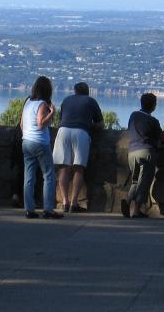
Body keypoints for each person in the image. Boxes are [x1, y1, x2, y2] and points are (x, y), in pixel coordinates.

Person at [53, 82, 103, 213]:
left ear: (75, 91)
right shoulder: (91, 101)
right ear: (87, 91)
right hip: (81, 132)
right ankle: (74, 202)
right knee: (79, 168)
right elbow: (100, 124)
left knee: (64, 168)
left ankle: (64, 201)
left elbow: (61, 119)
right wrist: (89, 124)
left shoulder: (66, 100)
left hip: (63, 131)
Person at [21, 76, 62, 219]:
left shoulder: (27, 102)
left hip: (26, 141)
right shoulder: (43, 104)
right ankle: (48, 209)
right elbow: (40, 123)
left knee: (29, 176)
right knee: (49, 175)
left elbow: (21, 124)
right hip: (40, 142)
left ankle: (29, 209)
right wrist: (52, 113)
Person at [122, 93, 163, 218]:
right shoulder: (153, 121)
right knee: (144, 181)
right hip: (146, 151)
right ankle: (135, 211)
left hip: (132, 152)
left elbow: (129, 129)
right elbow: (159, 139)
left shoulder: (133, 115)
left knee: (135, 180)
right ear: (154, 106)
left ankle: (128, 200)